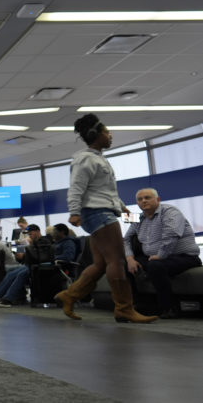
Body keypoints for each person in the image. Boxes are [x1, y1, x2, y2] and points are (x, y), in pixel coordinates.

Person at [54, 114, 157, 323]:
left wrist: (125, 210)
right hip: (97, 213)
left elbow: (107, 192)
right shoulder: (86, 159)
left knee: (101, 264)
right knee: (117, 260)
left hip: (101, 210)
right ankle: (124, 308)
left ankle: (69, 295)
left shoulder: (99, 158)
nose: (111, 136)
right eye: (107, 132)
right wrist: (74, 212)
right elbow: (76, 187)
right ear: (96, 135)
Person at [123, 188, 202, 319]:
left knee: (155, 266)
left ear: (158, 200)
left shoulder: (170, 211)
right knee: (124, 266)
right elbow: (126, 239)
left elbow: (171, 235)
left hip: (184, 257)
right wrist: (130, 259)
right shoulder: (137, 217)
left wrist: (160, 255)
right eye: (140, 199)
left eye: (147, 197)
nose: (143, 201)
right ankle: (140, 305)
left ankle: (168, 307)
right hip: (154, 258)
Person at [0, 224, 45, 307]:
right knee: (11, 274)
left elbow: (40, 257)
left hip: (35, 266)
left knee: (19, 273)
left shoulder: (43, 242)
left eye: (30, 234)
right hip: (28, 264)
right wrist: (22, 257)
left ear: (37, 232)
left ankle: (8, 298)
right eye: (28, 234)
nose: (29, 236)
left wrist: (24, 256)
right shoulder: (34, 243)